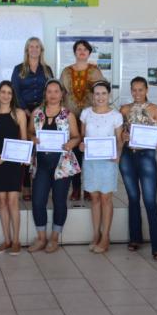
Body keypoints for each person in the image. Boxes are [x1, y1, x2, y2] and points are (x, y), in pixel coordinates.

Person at [29, 79, 81, 253]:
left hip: (62, 165)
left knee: (59, 201)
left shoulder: (68, 115)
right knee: (38, 201)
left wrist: (70, 144)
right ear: (45, 94)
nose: (52, 95)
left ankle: (54, 237)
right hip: (41, 165)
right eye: (49, 91)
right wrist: (32, 139)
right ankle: (41, 237)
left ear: (61, 94)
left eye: (56, 91)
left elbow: (76, 136)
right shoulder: (37, 113)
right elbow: (30, 133)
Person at [119, 76, 157, 260]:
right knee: (132, 198)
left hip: (146, 156)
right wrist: (123, 136)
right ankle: (135, 237)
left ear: (147, 90)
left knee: (150, 200)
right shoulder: (124, 109)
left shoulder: (155, 110)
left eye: (141, 89)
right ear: (131, 91)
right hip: (128, 157)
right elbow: (120, 132)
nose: (137, 93)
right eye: (134, 90)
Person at [79, 80, 123, 254]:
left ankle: (106, 236)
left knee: (106, 199)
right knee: (95, 198)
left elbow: (119, 140)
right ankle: (95, 234)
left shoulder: (116, 115)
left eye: (103, 93)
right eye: (97, 93)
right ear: (92, 95)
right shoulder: (85, 113)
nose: (100, 97)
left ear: (109, 95)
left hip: (108, 163)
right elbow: (83, 137)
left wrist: (118, 153)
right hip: (91, 162)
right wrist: (81, 145)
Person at [0, 81, 27, 256]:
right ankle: (7, 240)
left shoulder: (19, 114)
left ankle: (16, 241)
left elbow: (24, 138)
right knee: (1, 201)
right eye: (3, 92)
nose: (6, 95)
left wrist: (25, 157)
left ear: (13, 95)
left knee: (13, 201)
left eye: (9, 92)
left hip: (14, 162)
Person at [60, 39, 104, 201]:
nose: (82, 51)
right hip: (71, 119)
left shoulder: (95, 71)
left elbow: (102, 92)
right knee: (74, 154)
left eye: (85, 49)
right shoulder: (65, 72)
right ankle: (76, 187)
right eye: (79, 49)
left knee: (89, 154)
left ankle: (89, 187)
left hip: (91, 119)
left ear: (89, 52)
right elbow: (61, 94)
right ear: (75, 52)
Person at [11, 37, 54, 201]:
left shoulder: (47, 69)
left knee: (41, 147)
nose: (34, 49)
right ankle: (26, 186)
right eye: (31, 46)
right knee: (26, 147)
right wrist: (26, 111)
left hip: (43, 111)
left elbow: (52, 90)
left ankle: (40, 184)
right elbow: (14, 90)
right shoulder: (19, 69)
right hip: (23, 111)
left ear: (41, 50)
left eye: (37, 47)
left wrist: (41, 109)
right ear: (27, 50)